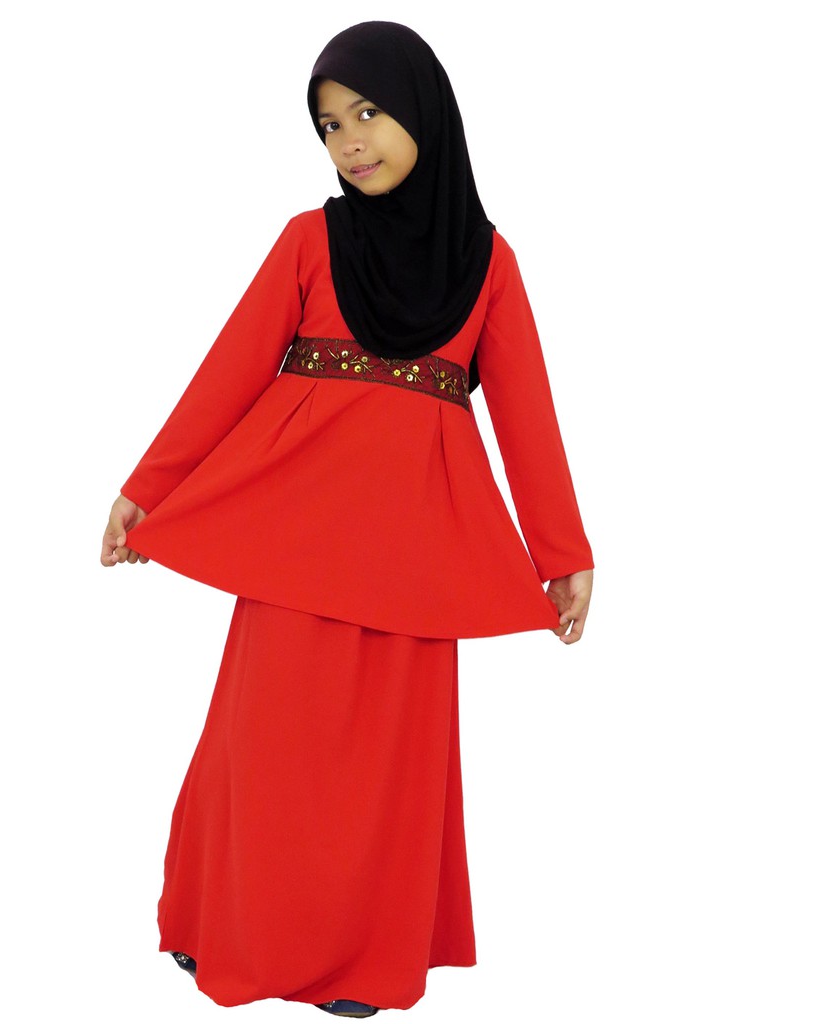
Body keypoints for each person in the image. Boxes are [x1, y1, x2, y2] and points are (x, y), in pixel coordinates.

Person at [100, 20, 593, 1019]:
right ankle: (224, 927)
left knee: (385, 772)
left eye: (368, 113)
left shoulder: (488, 264)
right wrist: (149, 486)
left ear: (424, 111)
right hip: (293, 538)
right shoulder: (309, 240)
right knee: (263, 745)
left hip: (416, 555)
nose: (350, 142)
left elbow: (527, 414)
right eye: (329, 125)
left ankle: (360, 962)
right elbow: (230, 371)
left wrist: (562, 551)